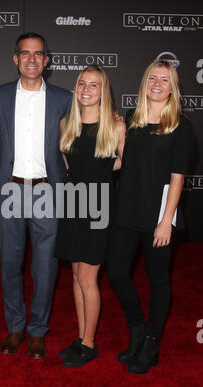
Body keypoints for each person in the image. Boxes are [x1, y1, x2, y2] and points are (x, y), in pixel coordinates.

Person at [107, 60, 196, 374]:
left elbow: (178, 178)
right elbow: (119, 162)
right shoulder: (131, 119)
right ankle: (137, 328)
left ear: (173, 87)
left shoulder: (181, 126)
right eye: (153, 78)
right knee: (116, 272)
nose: (157, 84)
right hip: (126, 211)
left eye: (165, 80)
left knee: (158, 280)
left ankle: (152, 341)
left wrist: (166, 220)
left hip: (158, 215)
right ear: (144, 82)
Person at [0, 33, 72, 358]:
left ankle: (38, 329)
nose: (32, 60)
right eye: (25, 54)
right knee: (9, 263)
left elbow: (84, 135)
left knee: (45, 267)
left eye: (38, 54)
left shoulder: (65, 99)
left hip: (46, 191)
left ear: (46, 61)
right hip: (8, 189)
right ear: (15, 59)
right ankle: (15, 327)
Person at [54, 65, 125, 367]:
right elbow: (67, 162)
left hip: (98, 205)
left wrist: (101, 174)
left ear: (103, 91)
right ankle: (81, 335)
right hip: (72, 202)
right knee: (74, 273)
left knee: (88, 276)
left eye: (94, 85)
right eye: (82, 83)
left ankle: (89, 343)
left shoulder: (116, 126)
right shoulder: (66, 124)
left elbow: (123, 161)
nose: (86, 89)